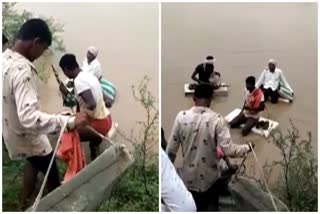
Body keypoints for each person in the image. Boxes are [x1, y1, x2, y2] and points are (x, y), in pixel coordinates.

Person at [2, 19, 89, 210]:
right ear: (36, 42)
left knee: (34, 161)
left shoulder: (4, 60)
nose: (41, 55)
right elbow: (29, 117)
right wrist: (67, 121)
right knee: (51, 173)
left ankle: (23, 203)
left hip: (11, 133)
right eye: (43, 50)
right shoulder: (22, 69)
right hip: (27, 134)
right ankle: (57, 206)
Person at [166, 84, 253, 211]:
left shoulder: (181, 118)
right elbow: (229, 150)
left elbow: (170, 153)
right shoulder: (217, 120)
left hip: (188, 181)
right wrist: (247, 147)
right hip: (210, 181)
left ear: (194, 98)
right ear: (211, 99)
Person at [59, 53, 112, 161]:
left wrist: (76, 117)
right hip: (107, 118)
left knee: (67, 135)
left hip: (98, 124)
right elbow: (107, 100)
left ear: (66, 69)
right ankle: (94, 149)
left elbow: (91, 104)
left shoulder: (79, 82)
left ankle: (76, 162)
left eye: (64, 72)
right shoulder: (89, 76)